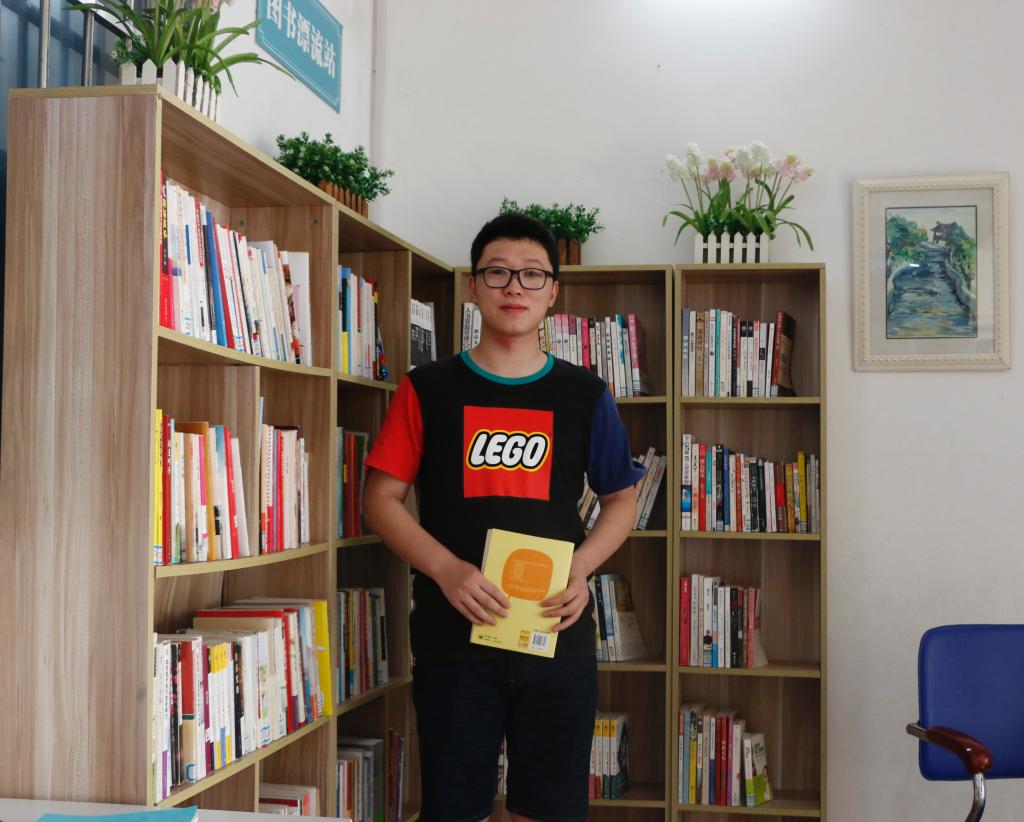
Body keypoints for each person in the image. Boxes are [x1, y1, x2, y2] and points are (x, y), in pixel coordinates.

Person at [362, 213, 644, 822]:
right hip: (453, 640)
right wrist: (447, 570)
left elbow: (621, 500)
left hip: (556, 633)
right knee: (454, 809)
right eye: (497, 272)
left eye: (531, 274)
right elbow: (380, 500)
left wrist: (581, 568)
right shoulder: (426, 389)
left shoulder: (585, 394)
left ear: (553, 292)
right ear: (473, 286)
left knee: (550, 810)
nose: (514, 286)